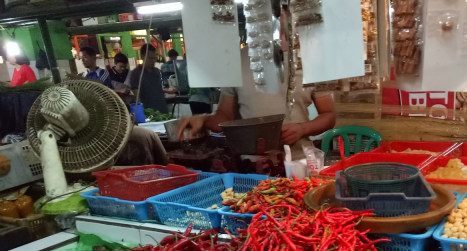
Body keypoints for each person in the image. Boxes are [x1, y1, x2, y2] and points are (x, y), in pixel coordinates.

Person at [176, 8, 335, 159]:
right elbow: (224, 118)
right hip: (251, 167)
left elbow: (329, 115)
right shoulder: (237, 61)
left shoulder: (311, 59)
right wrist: (203, 120)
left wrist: (302, 129)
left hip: (299, 163)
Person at [125, 44, 169, 114]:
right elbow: (137, 98)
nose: (153, 60)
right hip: (148, 112)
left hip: (162, 110)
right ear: (142, 57)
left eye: (154, 58)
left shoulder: (157, 71)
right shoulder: (136, 73)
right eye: (150, 58)